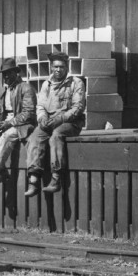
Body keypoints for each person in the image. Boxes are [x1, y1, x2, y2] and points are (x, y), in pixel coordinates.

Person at [25, 51, 86, 196]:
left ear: (67, 67)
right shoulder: (47, 84)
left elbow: (77, 108)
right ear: (51, 67)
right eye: (56, 67)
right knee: (35, 137)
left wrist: (60, 119)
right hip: (50, 121)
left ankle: (56, 178)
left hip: (70, 122)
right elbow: (40, 105)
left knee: (56, 136)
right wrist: (42, 118)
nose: (58, 70)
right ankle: (33, 181)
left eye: (62, 67)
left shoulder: (76, 82)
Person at [0, 58, 36, 186]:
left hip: (22, 125)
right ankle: (2, 172)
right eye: (4, 74)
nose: (6, 77)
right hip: (7, 124)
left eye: (8, 73)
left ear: (16, 73)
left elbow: (29, 113)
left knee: (6, 135)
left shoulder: (26, 88)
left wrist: (9, 123)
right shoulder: (6, 91)